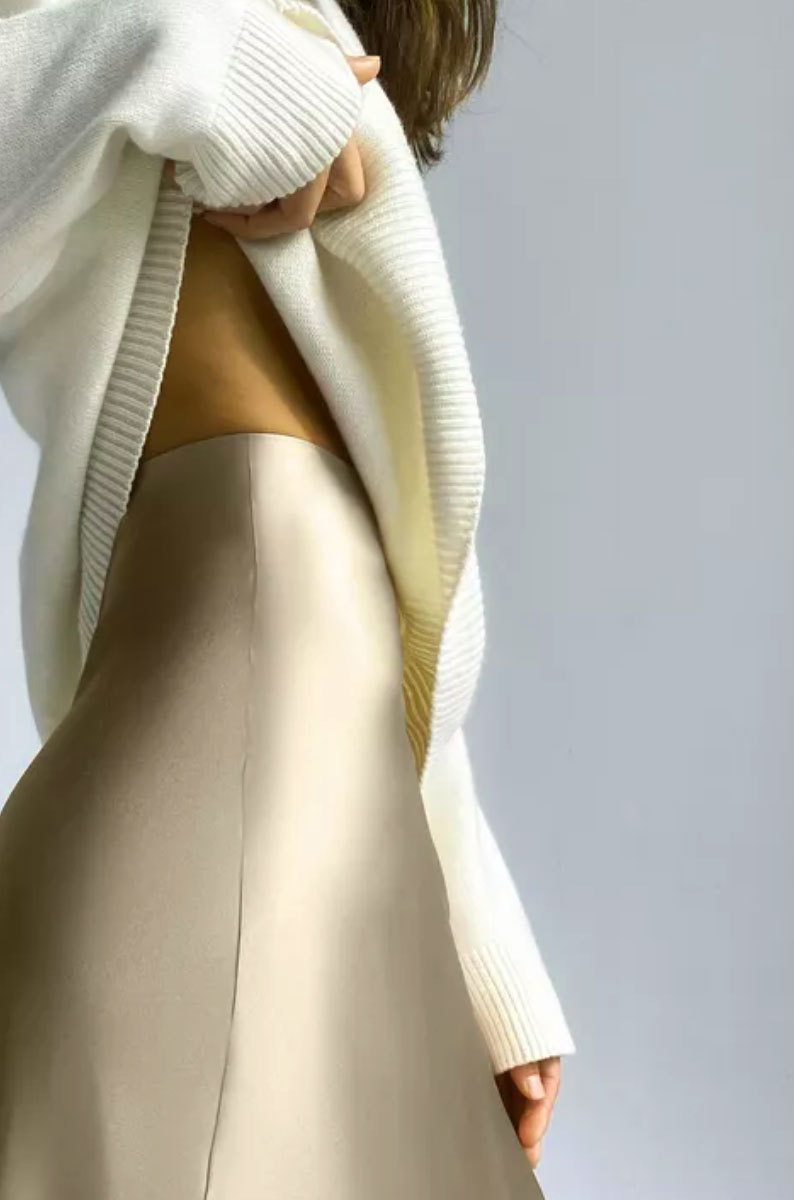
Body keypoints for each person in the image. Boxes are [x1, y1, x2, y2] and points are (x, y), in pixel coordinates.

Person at [0, 0, 576, 1194]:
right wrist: (211, 61)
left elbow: (365, 551)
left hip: (326, 761)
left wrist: (483, 937)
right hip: (237, 701)